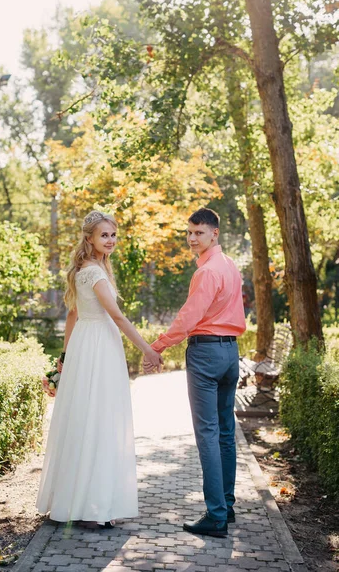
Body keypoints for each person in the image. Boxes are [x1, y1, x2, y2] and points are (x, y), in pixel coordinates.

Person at [36, 210, 163, 528]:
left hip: (85, 345)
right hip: (98, 348)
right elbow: (117, 317)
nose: (110, 240)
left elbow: (72, 316)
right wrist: (148, 349)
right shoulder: (94, 273)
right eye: (104, 234)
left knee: (83, 419)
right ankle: (90, 509)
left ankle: (73, 502)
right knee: (98, 420)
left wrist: (64, 356)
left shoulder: (84, 269)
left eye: (113, 235)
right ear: (89, 237)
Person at [144, 207, 246, 537]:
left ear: (214, 233)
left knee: (208, 434)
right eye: (189, 232)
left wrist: (156, 346)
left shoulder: (207, 272)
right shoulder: (230, 265)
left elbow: (188, 318)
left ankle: (216, 516)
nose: (191, 238)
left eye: (198, 233)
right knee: (225, 432)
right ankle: (226, 508)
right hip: (231, 352)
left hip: (206, 353)